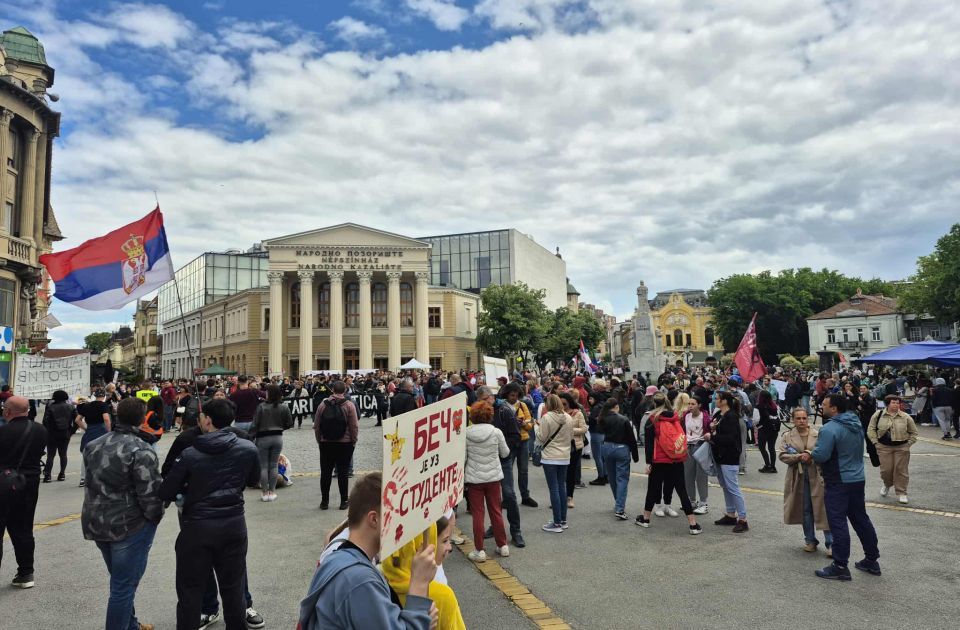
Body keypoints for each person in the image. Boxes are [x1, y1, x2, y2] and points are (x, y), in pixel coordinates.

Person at [159, 398, 260, 629]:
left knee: (190, 590)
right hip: (234, 523)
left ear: (207, 421)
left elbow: (166, 490)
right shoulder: (247, 447)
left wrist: (188, 488)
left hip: (197, 526)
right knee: (234, 589)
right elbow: (253, 479)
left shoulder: (190, 453)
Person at [299, 472, 438, 630]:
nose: (402, 526)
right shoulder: (360, 581)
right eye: (398, 515)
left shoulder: (338, 558)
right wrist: (419, 583)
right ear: (374, 519)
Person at [81, 397, 164, 630]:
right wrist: (154, 518)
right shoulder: (141, 449)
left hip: (96, 520)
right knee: (123, 586)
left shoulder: (93, 444)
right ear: (142, 418)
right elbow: (150, 493)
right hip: (128, 524)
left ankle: (131, 624)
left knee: (120, 581)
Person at [811, 394, 881, 581]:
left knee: (838, 522)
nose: (822, 406)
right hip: (857, 478)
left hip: (838, 479)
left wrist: (811, 452)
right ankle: (871, 560)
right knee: (861, 519)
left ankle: (840, 565)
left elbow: (821, 455)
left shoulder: (829, 428)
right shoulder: (856, 424)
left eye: (825, 404)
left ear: (834, 408)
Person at [636, 393, 702, 535]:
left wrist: (648, 462)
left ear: (654, 404)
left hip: (659, 460)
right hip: (676, 459)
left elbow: (648, 444)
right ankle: (693, 524)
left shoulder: (652, 419)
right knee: (682, 491)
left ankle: (645, 519)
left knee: (652, 489)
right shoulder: (676, 418)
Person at [0, 396, 48, 589]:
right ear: (28, 410)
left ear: (8, 411)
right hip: (29, 484)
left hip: (3, 484)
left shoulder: (3, 432)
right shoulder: (40, 430)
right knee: (24, 529)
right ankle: (26, 573)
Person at [777, 407, 832, 556]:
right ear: (793, 420)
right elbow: (782, 455)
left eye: (804, 418)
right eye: (798, 418)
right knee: (805, 509)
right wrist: (798, 457)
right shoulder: (787, 436)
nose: (801, 421)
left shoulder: (818, 434)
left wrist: (810, 454)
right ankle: (810, 540)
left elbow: (826, 452)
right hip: (798, 476)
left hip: (817, 475)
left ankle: (831, 543)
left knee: (823, 508)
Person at [476, 386, 525, 548]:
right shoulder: (479, 410)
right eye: (480, 400)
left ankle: (516, 531)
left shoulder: (504, 411)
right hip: (486, 460)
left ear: (492, 397)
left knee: (509, 494)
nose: (483, 403)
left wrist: (500, 447)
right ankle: (495, 526)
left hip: (503, 459)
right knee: (492, 497)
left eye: (485, 399)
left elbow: (516, 436)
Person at [464, 400, 510, 561]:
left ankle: (479, 550)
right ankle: (502, 545)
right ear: (490, 415)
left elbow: (463, 458)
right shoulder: (496, 432)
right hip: (493, 478)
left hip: (474, 478)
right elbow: (505, 453)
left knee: (478, 514)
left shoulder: (466, 433)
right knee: (496, 511)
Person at [705, 391, 748, 532]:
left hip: (730, 456)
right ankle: (730, 514)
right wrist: (712, 428)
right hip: (719, 455)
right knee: (725, 486)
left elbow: (729, 439)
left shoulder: (732, 417)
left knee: (733, 488)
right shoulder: (719, 414)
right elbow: (716, 429)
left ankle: (743, 519)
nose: (715, 400)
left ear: (724, 401)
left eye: (717, 398)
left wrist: (712, 437)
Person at [314, 380, 360, 510]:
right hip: (345, 443)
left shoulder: (323, 404)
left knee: (325, 472)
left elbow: (317, 425)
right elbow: (354, 426)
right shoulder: (349, 405)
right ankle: (344, 501)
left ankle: (324, 501)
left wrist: (319, 440)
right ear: (345, 390)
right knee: (343, 472)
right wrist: (353, 440)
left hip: (326, 443)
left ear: (332, 390)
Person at [866, 395, 918, 504]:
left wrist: (908, 444)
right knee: (886, 470)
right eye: (893, 402)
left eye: (897, 403)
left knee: (901, 470)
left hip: (901, 447)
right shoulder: (878, 414)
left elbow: (914, 433)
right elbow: (871, 429)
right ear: (888, 404)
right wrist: (875, 442)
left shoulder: (905, 416)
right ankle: (887, 484)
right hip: (884, 447)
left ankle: (902, 492)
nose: (896, 405)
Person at [250, 384, 294, 502]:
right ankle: (272, 492)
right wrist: (281, 428)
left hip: (263, 438)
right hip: (277, 437)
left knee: (263, 466)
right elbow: (289, 423)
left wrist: (250, 437)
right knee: (274, 465)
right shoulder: (284, 407)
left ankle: (265, 493)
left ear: (269, 394)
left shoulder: (261, 407)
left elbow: (255, 424)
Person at [536, 394, 572, 533]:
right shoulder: (568, 417)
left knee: (554, 489)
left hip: (550, 456)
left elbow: (541, 437)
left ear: (549, 404)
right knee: (562, 487)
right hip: (564, 455)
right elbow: (570, 436)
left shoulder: (547, 417)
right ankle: (562, 520)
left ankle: (556, 523)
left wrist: (537, 428)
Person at [598, 398, 638, 520]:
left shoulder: (603, 418)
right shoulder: (624, 419)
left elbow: (600, 431)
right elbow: (631, 438)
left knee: (612, 477)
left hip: (607, 447)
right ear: (616, 407)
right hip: (621, 448)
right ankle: (620, 508)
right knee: (622, 479)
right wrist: (635, 455)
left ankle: (618, 503)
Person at [500, 382, 537, 508]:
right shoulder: (502, 407)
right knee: (507, 470)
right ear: (506, 395)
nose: (514, 398)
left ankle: (525, 496)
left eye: (516, 395)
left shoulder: (522, 405)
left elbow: (530, 424)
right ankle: (507, 498)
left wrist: (523, 424)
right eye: (512, 395)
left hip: (523, 441)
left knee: (523, 470)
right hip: (509, 442)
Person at [681, 395, 710, 515]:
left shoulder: (705, 416)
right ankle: (692, 501)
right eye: (689, 404)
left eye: (693, 404)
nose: (690, 406)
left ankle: (703, 503)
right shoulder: (685, 416)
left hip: (701, 446)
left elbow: (709, 430)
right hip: (688, 447)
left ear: (699, 405)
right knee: (688, 475)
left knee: (701, 476)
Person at [78, 389, 112, 487]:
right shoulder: (103, 405)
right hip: (101, 431)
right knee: (103, 454)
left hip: (90, 431)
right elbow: (106, 419)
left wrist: (86, 428)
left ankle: (83, 478)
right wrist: (109, 431)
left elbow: (77, 419)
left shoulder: (87, 405)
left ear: (95, 396)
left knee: (86, 455)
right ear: (104, 396)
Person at [41, 389, 76, 482]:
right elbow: (76, 421)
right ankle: (62, 474)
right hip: (65, 433)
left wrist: (47, 431)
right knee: (63, 454)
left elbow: (45, 421)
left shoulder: (50, 407)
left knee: (50, 455)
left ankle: (48, 475)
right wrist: (72, 431)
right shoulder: (71, 407)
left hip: (52, 433)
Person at [559, 392, 587, 507]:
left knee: (571, 473)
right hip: (560, 446)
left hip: (575, 446)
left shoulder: (578, 413)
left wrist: (570, 429)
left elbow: (584, 429)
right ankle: (560, 498)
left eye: (565, 404)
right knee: (560, 474)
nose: (563, 406)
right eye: (560, 404)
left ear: (570, 403)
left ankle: (569, 497)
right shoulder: (557, 414)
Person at [755, 390, 780, 473]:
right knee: (771, 448)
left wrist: (758, 426)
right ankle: (773, 466)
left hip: (763, 429)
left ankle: (767, 465)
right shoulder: (774, 406)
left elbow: (756, 420)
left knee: (762, 448)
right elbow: (778, 417)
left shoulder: (758, 406)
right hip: (774, 429)